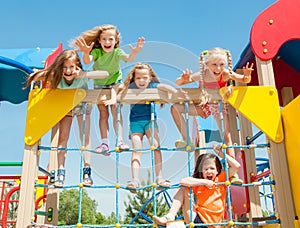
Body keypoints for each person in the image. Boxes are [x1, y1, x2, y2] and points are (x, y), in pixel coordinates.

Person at [26, 50, 109, 187]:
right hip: (65, 107)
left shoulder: (81, 76)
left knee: (85, 138)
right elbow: (35, 77)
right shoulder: (56, 76)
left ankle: (87, 172)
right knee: (63, 138)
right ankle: (61, 171)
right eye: (64, 67)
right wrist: (41, 72)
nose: (68, 71)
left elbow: (104, 74)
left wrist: (84, 74)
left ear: (77, 66)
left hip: (82, 105)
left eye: (71, 67)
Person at [171, 47, 253, 184]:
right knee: (175, 108)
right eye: (214, 64)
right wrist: (183, 79)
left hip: (217, 107)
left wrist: (247, 75)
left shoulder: (225, 73)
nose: (218, 68)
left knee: (226, 136)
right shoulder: (202, 74)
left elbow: (244, 80)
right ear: (207, 64)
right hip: (203, 106)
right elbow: (178, 83)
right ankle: (186, 139)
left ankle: (233, 172)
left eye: (221, 64)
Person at [72, 24, 145, 155]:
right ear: (99, 41)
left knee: (116, 110)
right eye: (104, 39)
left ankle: (120, 141)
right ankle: (105, 143)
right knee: (103, 114)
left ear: (115, 41)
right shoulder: (97, 52)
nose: (107, 42)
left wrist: (135, 52)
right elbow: (88, 61)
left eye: (110, 39)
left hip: (114, 83)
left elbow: (129, 59)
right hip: (100, 84)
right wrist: (86, 52)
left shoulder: (117, 52)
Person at [119, 63, 187, 193]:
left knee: (156, 147)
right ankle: (135, 180)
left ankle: (159, 178)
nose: (142, 80)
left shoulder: (152, 86)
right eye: (138, 78)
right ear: (134, 78)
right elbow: (121, 89)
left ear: (150, 78)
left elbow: (164, 86)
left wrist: (175, 91)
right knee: (136, 150)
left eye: (145, 77)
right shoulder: (131, 87)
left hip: (150, 121)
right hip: (135, 122)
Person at [152, 144, 241, 227]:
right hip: (196, 220)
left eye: (212, 168)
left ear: (217, 170)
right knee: (184, 188)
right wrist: (204, 182)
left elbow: (236, 166)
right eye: (206, 169)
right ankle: (170, 216)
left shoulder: (220, 180)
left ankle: (173, 223)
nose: (209, 171)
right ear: (201, 171)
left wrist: (222, 154)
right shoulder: (200, 184)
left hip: (213, 224)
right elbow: (183, 181)